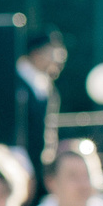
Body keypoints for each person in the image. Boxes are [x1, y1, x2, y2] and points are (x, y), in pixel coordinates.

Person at [14, 30, 67, 168]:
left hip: (39, 162)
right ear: (36, 53)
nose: (57, 60)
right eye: (52, 53)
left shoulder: (45, 86)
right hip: (19, 163)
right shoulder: (16, 84)